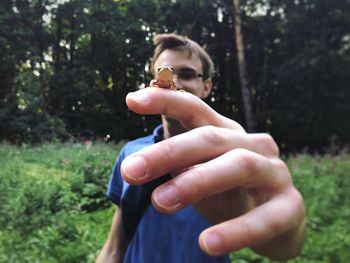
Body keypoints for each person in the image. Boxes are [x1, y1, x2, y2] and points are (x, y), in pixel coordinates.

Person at [96, 33, 306, 263]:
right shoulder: (133, 154)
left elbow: (285, 249)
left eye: (186, 74)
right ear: (153, 82)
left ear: (206, 86)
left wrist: (285, 236)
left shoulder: (228, 157)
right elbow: (115, 246)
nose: (173, 81)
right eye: (165, 72)